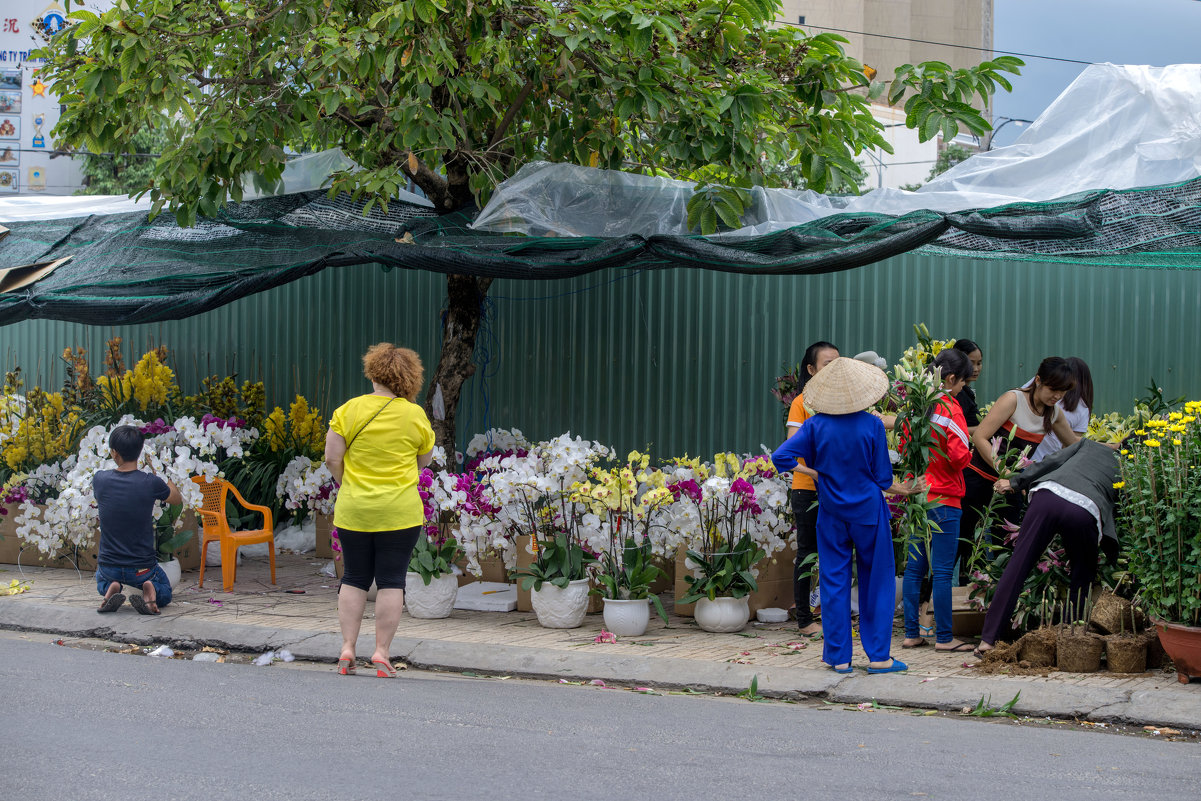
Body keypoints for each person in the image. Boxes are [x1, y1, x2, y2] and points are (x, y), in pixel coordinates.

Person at [771, 357, 922, 675]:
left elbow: (781, 456)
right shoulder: (872, 425)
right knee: (877, 582)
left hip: (831, 512)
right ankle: (879, 657)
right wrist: (907, 490)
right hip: (868, 512)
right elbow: (882, 479)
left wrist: (814, 472)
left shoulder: (814, 425)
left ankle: (839, 658)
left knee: (834, 581)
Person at [325, 343, 435, 677]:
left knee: (355, 577)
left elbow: (332, 458)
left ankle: (347, 649)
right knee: (391, 581)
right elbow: (424, 460)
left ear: (373, 372)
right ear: (408, 378)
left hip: (354, 510)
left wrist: (351, 484)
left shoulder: (348, 410)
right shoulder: (414, 415)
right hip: (399, 512)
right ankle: (381, 653)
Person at [974, 438, 1122, 656]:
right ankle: (1071, 642)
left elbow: (1052, 460)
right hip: (1084, 510)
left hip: (1047, 496)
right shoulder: (1131, 468)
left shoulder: (1088, 444)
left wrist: (1015, 482)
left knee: (1017, 566)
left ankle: (988, 640)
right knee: (1082, 574)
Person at [957, 357, 1079, 584]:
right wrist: (1005, 471)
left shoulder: (1053, 413)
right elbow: (980, 436)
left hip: (1010, 488)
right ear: (1039, 380)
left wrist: (1109, 448)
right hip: (978, 480)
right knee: (963, 542)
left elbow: (1074, 444)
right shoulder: (1013, 400)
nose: (1057, 396)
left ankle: (996, 596)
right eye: (1053, 389)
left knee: (1008, 544)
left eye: (1062, 391)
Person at [900, 350, 975, 653]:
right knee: (942, 571)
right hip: (945, 499)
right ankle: (944, 638)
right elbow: (959, 455)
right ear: (951, 379)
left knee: (914, 570)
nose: (961, 390)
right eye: (961, 384)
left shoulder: (916, 406)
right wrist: (969, 454)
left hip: (919, 498)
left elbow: (905, 448)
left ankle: (910, 634)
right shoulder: (949, 406)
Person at [94, 425, 183, 615]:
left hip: (109, 566)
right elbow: (176, 498)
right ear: (141, 451)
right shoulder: (150, 482)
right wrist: (158, 471)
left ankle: (112, 586)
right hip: (142, 569)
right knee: (166, 593)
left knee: (101, 579)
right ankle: (150, 589)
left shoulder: (99, 479)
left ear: (114, 453)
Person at [784, 340, 839, 637]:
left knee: (836, 552)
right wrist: (815, 473)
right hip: (808, 490)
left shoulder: (842, 404)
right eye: (828, 365)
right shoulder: (801, 402)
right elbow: (789, 455)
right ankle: (804, 619)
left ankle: (831, 613)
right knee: (808, 552)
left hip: (836, 490)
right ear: (811, 369)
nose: (834, 370)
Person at [1025, 357, 1093, 462]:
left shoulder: (1043, 390)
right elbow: (1070, 448)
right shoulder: (1082, 408)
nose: (1057, 396)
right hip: (1044, 465)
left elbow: (1071, 441)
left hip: (1020, 461)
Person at [952, 339, 984, 433]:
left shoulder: (965, 392)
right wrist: (986, 429)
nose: (976, 369)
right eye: (971, 363)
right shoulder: (959, 394)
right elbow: (954, 429)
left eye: (979, 363)